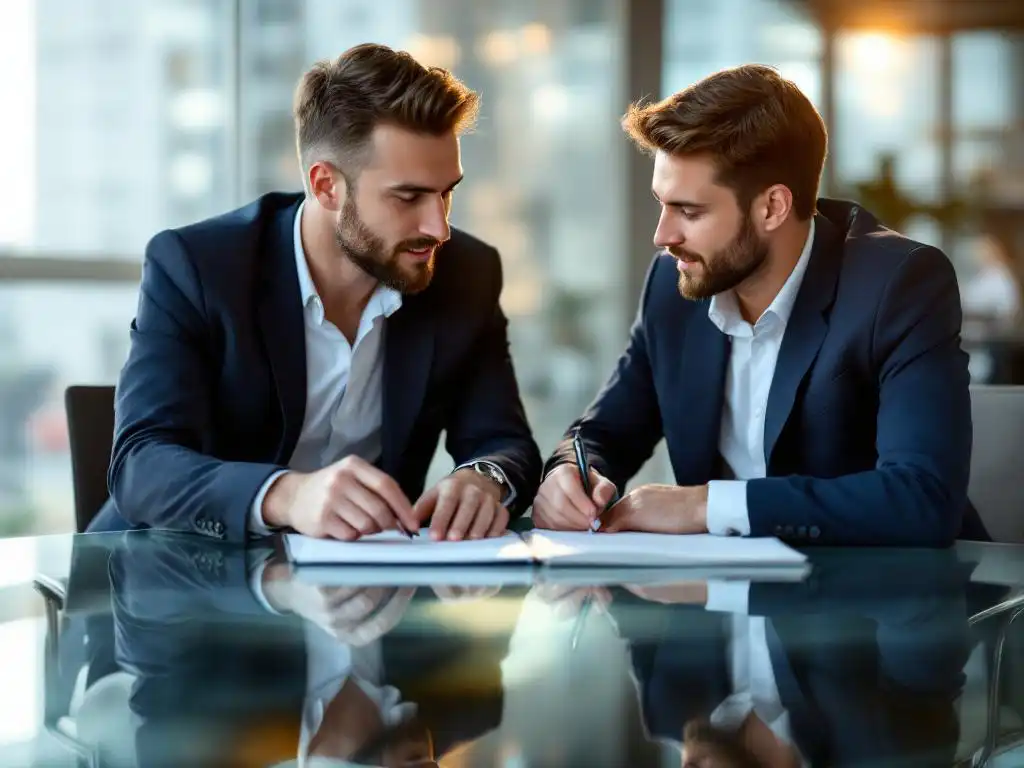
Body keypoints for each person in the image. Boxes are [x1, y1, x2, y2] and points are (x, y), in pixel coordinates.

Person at [91, 43, 541, 542]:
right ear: (326, 185)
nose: (439, 228)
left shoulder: (465, 273)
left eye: (447, 192)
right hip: (172, 581)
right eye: (408, 196)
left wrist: (484, 478)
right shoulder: (197, 267)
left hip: (362, 594)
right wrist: (288, 495)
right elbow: (141, 465)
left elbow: (503, 442)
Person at [533, 64, 984, 546]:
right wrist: (570, 473)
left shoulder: (898, 284)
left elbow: (921, 498)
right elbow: (606, 432)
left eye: (689, 211)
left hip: (880, 602)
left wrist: (706, 505)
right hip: (720, 602)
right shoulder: (676, 281)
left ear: (772, 207)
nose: (663, 236)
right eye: (662, 204)